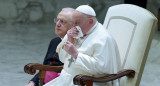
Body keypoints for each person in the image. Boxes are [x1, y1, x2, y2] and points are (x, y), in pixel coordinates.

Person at [44, 5, 121, 86]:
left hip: (87, 82)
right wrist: (69, 39)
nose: (74, 26)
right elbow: (63, 59)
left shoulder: (104, 38)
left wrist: (76, 55)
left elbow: (101, 68)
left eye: (77, 22)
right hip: (65, 79)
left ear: (90, 21)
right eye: (73, 22)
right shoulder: (75, 31)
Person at [26, 8, 75, 86]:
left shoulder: (76, 44)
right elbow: (45, 66)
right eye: (57, 20)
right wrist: (33, 82)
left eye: (62, 21)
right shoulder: (54, 41)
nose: (57, 24)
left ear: (73, 25)